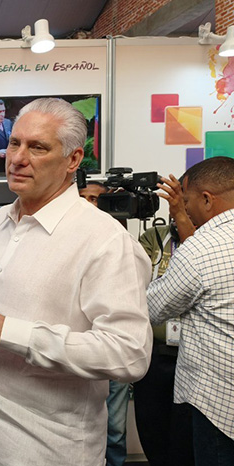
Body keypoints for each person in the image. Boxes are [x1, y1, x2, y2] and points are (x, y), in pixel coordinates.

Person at [0, 97, 152, 465]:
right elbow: (0, 290)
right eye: (15, 142)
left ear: (73, 160)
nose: (17, 158)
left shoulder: (105, 241)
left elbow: (129, 354)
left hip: (44, 452)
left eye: (37, 147)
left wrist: (8, 331)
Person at [147, 156, 234, 465]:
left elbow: (154, 308)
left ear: (207, 199)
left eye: (187, 203)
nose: (185, 212)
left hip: (220, 405)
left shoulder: (202, 248)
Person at [133, 174, 196, 466]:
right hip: (156, 355)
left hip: (194, 354)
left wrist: (183, 220)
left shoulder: (211, 242)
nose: (180, 207)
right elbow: (136, 284)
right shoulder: (155, 237)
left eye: (185, 202)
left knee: (187, 434)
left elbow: (197, 266)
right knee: (152, 427)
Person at [78, 182, 130, 466]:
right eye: (83, 197)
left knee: (116, 429)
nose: (89, 204)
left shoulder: (121, 242)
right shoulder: (67, 239)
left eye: (96, 198)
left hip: (112, 349)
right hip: (78, 349)